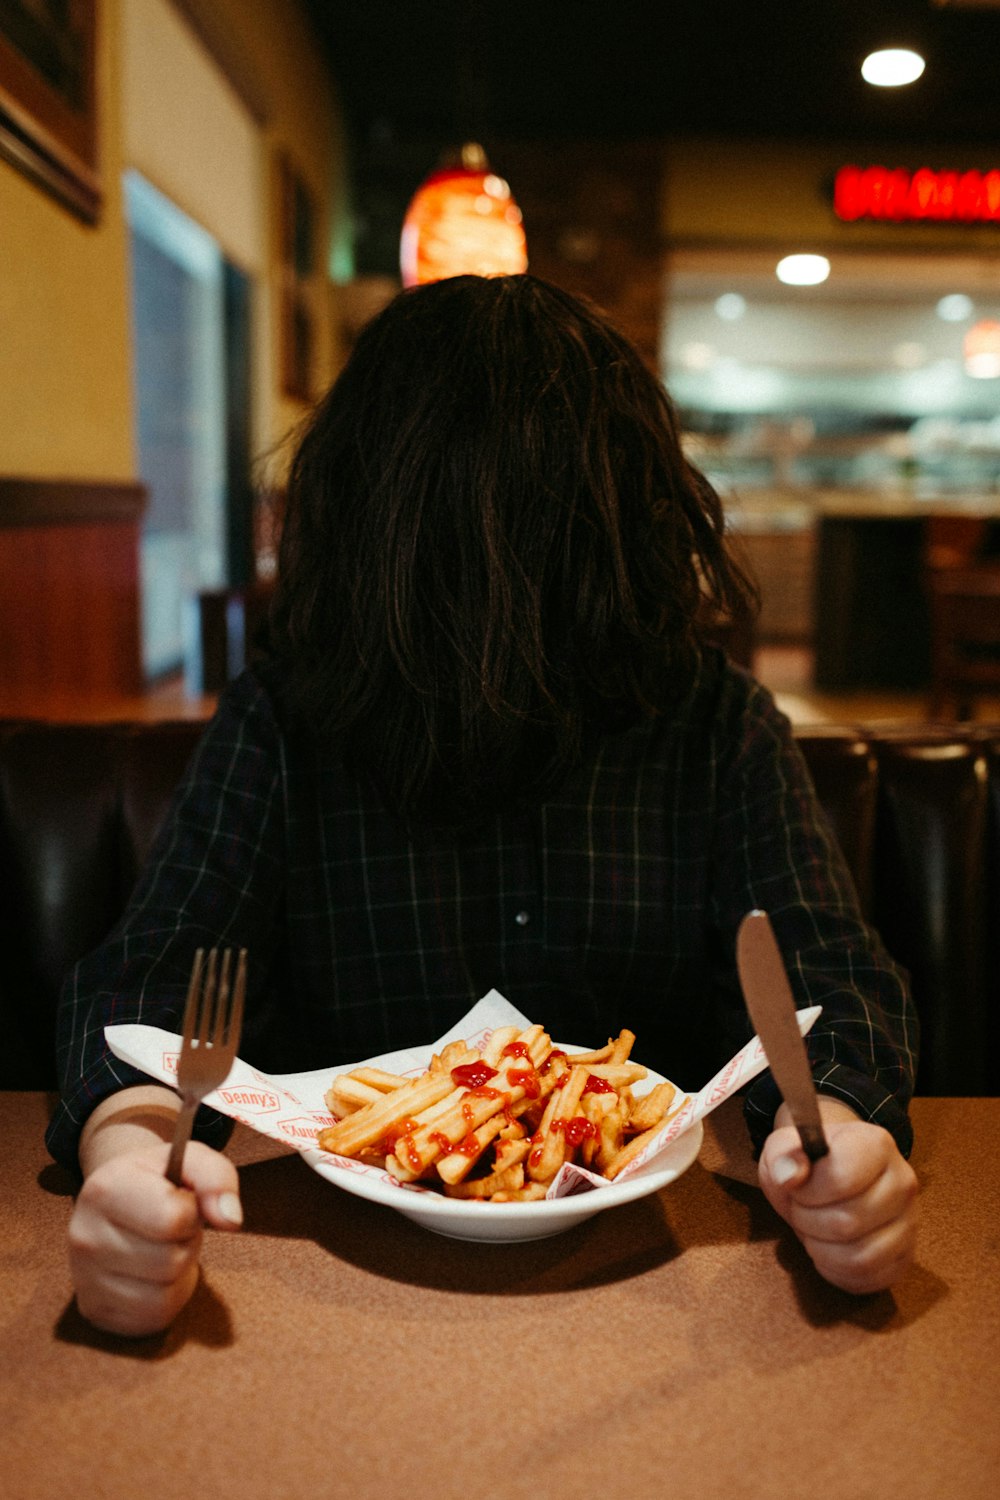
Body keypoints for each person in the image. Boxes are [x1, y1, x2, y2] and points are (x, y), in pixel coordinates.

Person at [47, 274, 919, 1337]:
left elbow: (826, 975)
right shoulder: (286, 718)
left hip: (667, 1285)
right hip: (330, 1295)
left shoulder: (712, 722)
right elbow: (155, 975)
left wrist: (832, 1137)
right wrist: (134, 1159)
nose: (500, 603)